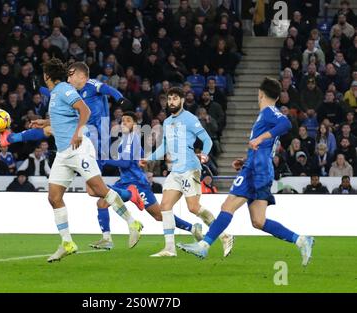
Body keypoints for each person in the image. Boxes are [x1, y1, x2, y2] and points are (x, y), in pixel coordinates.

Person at [177, 78, 314, 266]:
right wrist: (245, 158)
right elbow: (267, 144)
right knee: (258, 221)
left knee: (227, 206)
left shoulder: (269, 112)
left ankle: (204, 245)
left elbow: (286, 124)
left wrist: (260, 139)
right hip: (259, 166)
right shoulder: (266, 115)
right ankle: (301, 240)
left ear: (260, 93)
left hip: (256, 169)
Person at [31, 58, 143, 263]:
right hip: (64, 153)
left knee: (99, 190)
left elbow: (86, 111)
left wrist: (79, 132)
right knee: (54, 197)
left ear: (47, 76)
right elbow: (67, 116)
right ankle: (67, 243)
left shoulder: (64, 89)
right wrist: (44, 122)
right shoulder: (58, 93)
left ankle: (132, 222)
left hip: (79, 148)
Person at [90, 112, 203, 250]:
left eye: (128, 120)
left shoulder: (132, 139)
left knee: (159, 215)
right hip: (124, 182)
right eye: (122, 120)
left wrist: (103, 160)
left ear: (135, 125)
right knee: (101, 203)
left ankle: (192, 228)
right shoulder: (124, 140)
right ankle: (107, 239)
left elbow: (125, 164)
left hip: (137, 184)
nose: (124, 123)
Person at [146, 87, 234, 257]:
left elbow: (206, 140)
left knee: (193, 208)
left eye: (175, 99)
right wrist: (149, 157)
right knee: (165, 206)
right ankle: (169, 248)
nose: (171, 102)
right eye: (169, 99)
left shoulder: (190, 118)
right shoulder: (166, 122)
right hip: (175, 171)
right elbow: (164, 147)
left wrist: (204, 155)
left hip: (190, 168)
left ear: (182, 101)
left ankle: (224, 236)